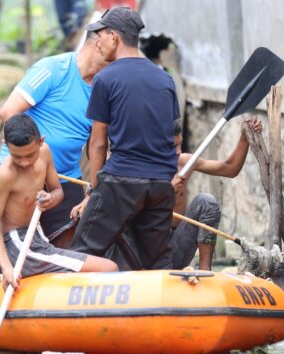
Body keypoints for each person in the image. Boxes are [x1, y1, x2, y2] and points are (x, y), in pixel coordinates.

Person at [70, 6, 180, 270]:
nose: (97, 43)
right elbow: (170, 135)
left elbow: (97, 143)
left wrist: (95, 190)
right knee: (157, 262)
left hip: (121, 182)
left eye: (101, 36)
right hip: (160, 184)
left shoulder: (105, 78)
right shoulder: (165, 79)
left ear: (114, 37)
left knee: (81, 253)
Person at [0, 30, 108, 247]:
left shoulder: (104, 87)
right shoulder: (53, 69)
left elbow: (97, 144)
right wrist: (33, 161)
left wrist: (94, 190)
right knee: (15, 246)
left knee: (71, 247)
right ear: (99, 44)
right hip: (24, 173)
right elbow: (8, 112)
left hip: (67, 179)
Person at [0, 114, 117, 289]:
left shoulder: (45, 152)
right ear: (5, 145)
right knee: (109, 268)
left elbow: (57, 192)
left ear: (41, 141)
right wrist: (7, 268)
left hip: (37, 236)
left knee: (105, 267)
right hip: (18, 245)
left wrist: (50, 199)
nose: (24, 162)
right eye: (17, 157)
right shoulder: (4, 175)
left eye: (30, 155)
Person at [170, 117, 263, 270]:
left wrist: (244, 138)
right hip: (149, 251)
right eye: (172, 147)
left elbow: (230, 168)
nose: (178, 151)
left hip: (175, 246)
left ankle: (205, 272)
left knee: (206, 202)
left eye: (180, 144)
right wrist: (166, 190)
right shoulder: (137, 167)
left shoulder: (183, 161)